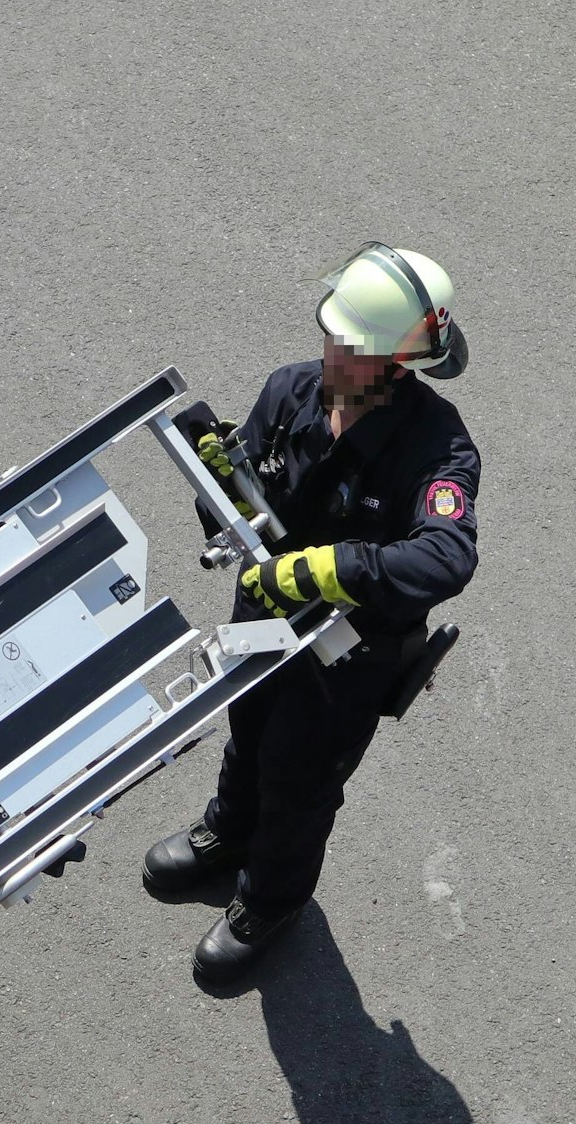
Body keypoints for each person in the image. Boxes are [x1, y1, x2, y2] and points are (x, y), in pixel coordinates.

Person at [144, 241, 481, 984]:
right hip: (259, 622)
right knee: (249, 729)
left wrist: (326, 570)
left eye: (349, 344)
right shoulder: (291, 392)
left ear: (396, 365)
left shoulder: (438, 450)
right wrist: (218, 485)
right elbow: (240, 507)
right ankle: (229, 831)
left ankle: (271, 899)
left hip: (344, 659)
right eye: (330, 331)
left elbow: (445, 558)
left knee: (299, 779)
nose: (328, 349)